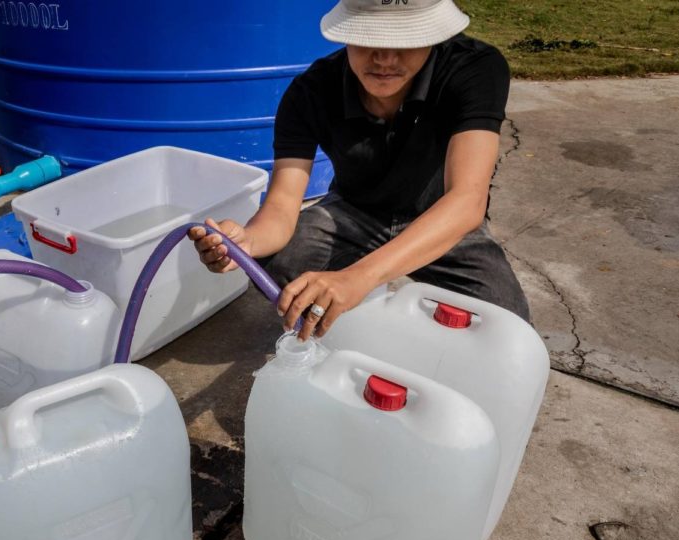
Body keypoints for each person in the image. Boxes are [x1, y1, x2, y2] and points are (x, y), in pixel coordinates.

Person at [190, 0, 530, 341]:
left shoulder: (475, 67)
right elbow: (281, 205)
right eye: (368, 38)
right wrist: (248, 241)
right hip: (354, 212)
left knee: (507, 327)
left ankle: (361, 299)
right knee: (278, 264)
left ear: (433, 35)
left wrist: (359, 276)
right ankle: (355, 323)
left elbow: (466, 201)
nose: (384, 58)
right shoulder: (311, 90)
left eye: (404, 39)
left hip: (440, 218)